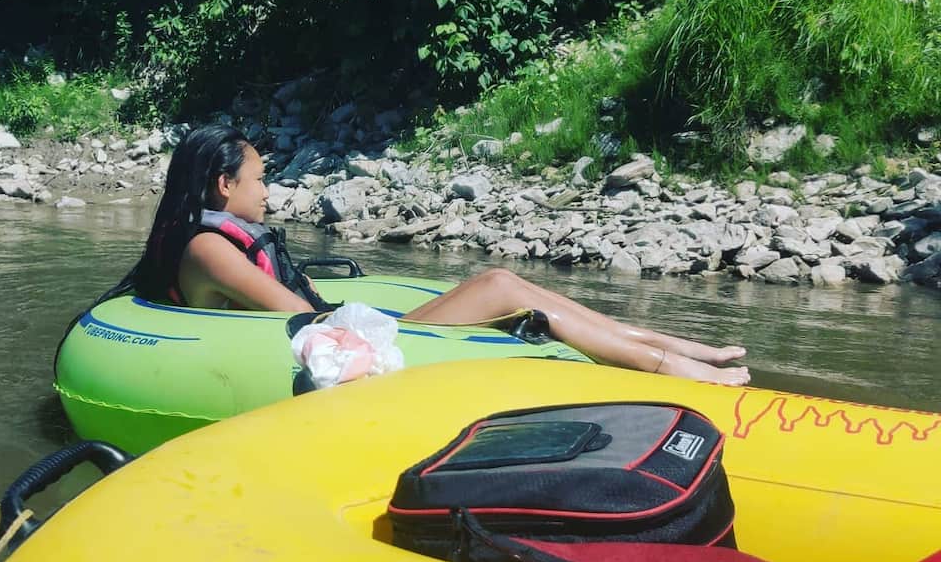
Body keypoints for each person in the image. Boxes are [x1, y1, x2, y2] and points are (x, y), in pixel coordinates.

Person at [130, 124, 750, 385]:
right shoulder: (210, 248)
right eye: (259, 179)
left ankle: (679, 349)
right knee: (503, 287)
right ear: (223, 185)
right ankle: (675, 369)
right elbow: (298, 316)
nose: (268, 191)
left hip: (354, 329)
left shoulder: (208, 235)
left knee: (515, 286)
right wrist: (367, 318)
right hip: (355, 347)